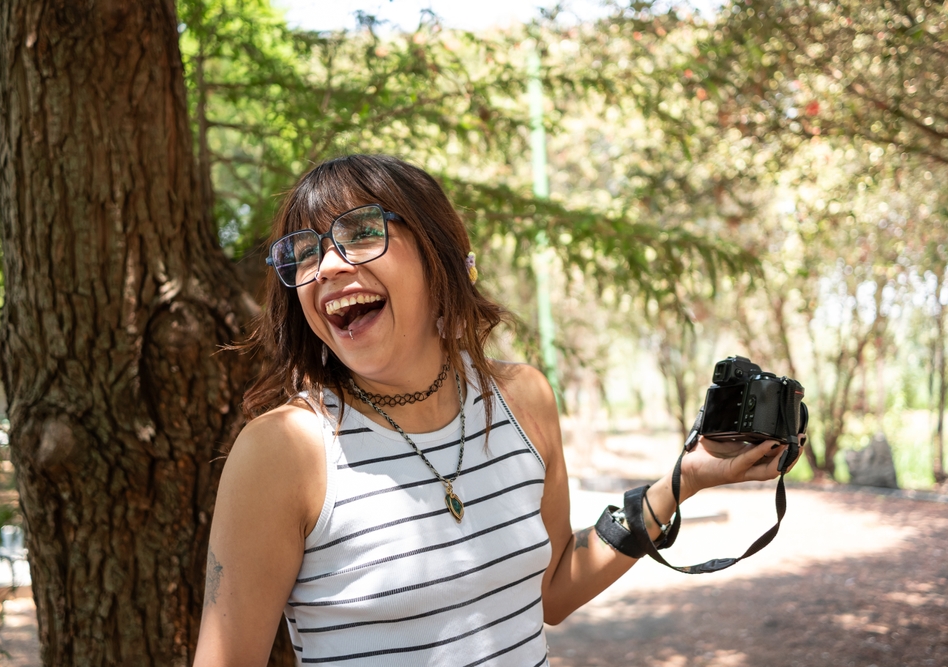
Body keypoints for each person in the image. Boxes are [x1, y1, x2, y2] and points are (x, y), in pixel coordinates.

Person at [192, 154, 801, 666]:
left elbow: (552, 593)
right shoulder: (283, 452)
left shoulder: (523, 399)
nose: (325, 266)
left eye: (360, 232)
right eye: (304, 252)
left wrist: (684, 480)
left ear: (439, 254)